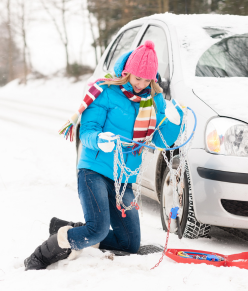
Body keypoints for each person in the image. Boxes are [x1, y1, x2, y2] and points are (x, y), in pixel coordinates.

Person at [24, 40, 184, 271]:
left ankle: (75, 230)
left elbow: (161, 140)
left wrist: (173, 124)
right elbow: (87, 131)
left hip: (123, 179)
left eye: (146, 79)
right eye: (136, 78)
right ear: (127, 72)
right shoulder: (105, 91)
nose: (140, 84)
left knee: (129, 244)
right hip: (94, 170)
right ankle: (45, 252)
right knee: (98, 229)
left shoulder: (153, 99)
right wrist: (100, 140)